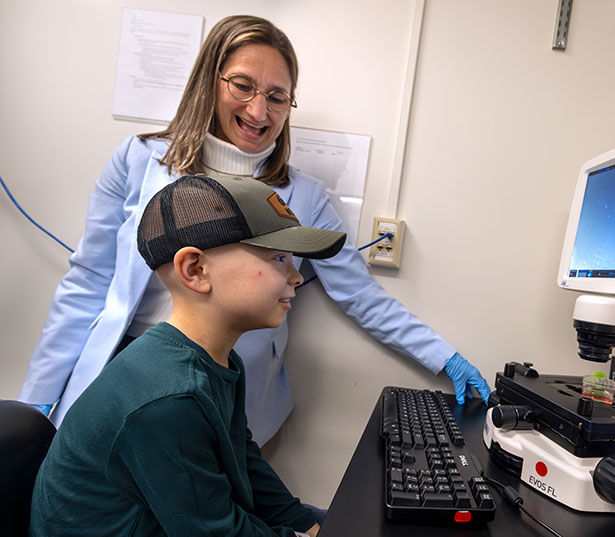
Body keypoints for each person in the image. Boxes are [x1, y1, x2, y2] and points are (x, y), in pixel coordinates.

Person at [18, 14, 490, 444]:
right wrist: (39, 396)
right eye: (242, 85)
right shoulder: (140, 160)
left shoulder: (304, 197)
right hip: (123, 368)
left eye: (277, 97)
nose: (259, 112)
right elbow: (89, 282)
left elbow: (361, 296)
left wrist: (444, 357)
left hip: (226, 390)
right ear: (210, 81)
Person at [25, 174, 343, 537]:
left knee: (345, 532)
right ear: (195, 270)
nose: (296, 276)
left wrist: (305, 523)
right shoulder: (168, 396)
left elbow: (246, 463)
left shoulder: (215, 360)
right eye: (279, 258)